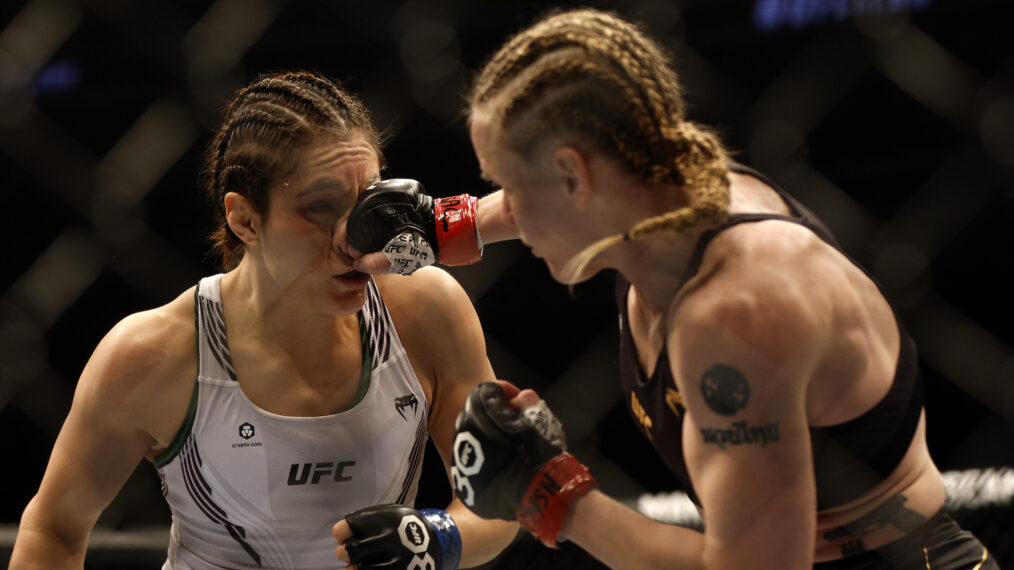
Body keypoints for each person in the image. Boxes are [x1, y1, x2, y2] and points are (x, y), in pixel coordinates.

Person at [345, 8, 999, 569]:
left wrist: (547, 493)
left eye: (510, 182)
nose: (503, 203)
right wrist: (446, 225)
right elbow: (528, 207)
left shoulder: (734, 315)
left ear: (573, 177)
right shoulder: (662, 197)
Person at [9, 70, 517, 570]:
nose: (356, 237)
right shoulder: (155, 353)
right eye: (320, 208)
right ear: (246, 219)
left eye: (369, 203)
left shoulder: (424, 312)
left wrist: (437, 539)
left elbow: (497, 498)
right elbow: (54, 530)